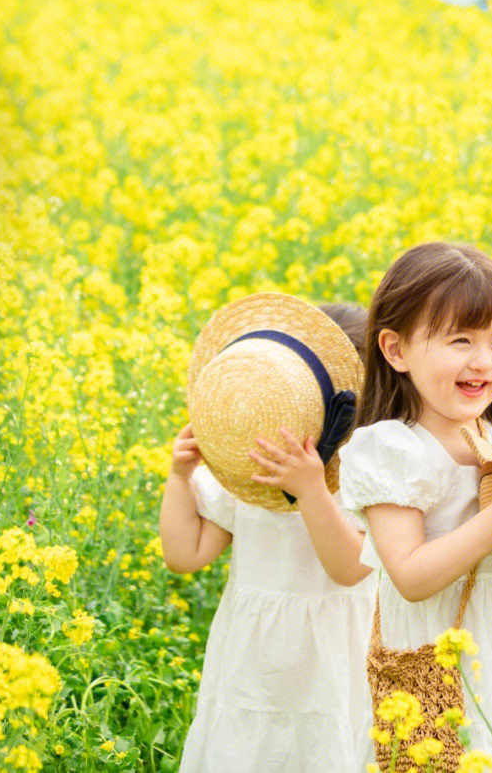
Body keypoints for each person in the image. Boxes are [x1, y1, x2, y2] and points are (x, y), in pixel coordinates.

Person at [250, 244, 492, 773]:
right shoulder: (392, 450)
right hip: (434, 662)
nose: (483, 361)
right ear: (395, 350)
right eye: (460, 340)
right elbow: (411, 575)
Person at [160, 301, 374, 773]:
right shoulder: (248, 475)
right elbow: (184, 554)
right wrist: (180, 477)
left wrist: (311, 488)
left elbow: (347, 569)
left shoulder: (365, 477)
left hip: (335, 670)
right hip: (252, 672)